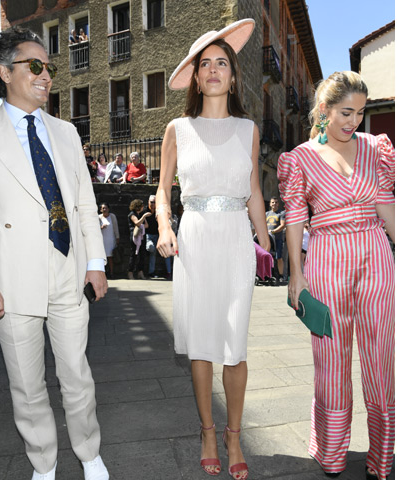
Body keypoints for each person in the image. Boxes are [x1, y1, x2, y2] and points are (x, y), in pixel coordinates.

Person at [155, 19, 269, 480]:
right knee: (202, 345)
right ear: (196, 76)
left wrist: (266, 241)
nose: (215, 70)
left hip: (236, 240)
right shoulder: (177, 129)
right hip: (196, 239)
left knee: (234, 345)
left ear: (233, 75)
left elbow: (255, 191)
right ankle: (207, 430)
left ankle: (234, 435)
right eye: (207, 64)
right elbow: (163, 190)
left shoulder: (249, 130)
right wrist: (165, 226)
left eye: (223, 63)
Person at [0, 25, 110, 480]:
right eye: (35, 66)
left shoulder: (65, 132)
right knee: (26, 385)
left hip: (68, 268)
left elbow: (84, 201)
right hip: (12, 274)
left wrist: (96, 263)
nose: (46, 76)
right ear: (5, 72)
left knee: (76, 375)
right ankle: (43, 463)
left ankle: (89, 453)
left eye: (50, 68)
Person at [278, 71, 395, 480]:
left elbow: (385, 203)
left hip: (375, 254)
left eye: (360, 113)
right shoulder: (300, 158)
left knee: (382, 356)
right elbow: (294, 217)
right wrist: (296, 275)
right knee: (331, 361)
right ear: (324, 110)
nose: (354, 121)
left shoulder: (376, 148)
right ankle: (331, 453)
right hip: (326, 258)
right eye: (347, 112)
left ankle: (383, 457)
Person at [143, 195, 172, 279]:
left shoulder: (159, 212)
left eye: (155, 202)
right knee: (151, 249)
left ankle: (169, 272)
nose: (153, 204)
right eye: (151, 202)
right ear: (148, 202)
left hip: (159, 235)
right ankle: (151, 272)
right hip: (149, 235)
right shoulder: (145, 211)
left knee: (166, 252)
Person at [266, 196, 286, 282]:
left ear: (278, 204)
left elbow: (283, 225)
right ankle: (267, 275)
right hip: (268, 239)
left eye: (276, 202)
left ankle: (281, 276)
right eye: (273, 202)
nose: (274, 204)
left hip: (277, 239)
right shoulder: (266, 214)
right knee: (267, 257)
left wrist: (273, 231)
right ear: (270, 204)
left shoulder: (281, 213)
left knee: (279, 257)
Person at [127, 198, 148, 280]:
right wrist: (144, 216)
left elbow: (146, 225)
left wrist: (143, 217)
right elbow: (137, 223)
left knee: (142, 254)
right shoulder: (132, 214)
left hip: (141, 236)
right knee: (134, 254)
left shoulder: (141, 214)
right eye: (142, 205)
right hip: (135, 236)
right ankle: (130, 272)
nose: (143, 207)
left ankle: (140, 272)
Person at [99, 203, 119, 279]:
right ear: (100, 210)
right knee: (102, 258)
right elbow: (96, 229)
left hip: (111, 239)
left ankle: (111, 272)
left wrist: (117, 237)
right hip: (102, 240)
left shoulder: (112, 216)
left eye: (106, 208)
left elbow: (115, 227)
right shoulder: (99, 218)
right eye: (103, 208)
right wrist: (101, 227)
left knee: (110, 257)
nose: (104, 209)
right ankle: (103, 273)